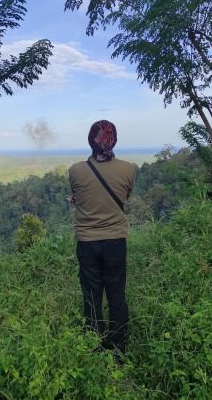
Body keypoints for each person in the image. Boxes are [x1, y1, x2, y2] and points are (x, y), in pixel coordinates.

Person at [68, 120, 136, 352]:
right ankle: (118, 348)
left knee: (91, 294)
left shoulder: (75, 170)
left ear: (90, 140)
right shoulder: (128, 169)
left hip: (87, 243)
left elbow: (78, 197)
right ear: (114, 140)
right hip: (116, 241)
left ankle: (93, 344)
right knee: (116, 294)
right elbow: (124, 196)